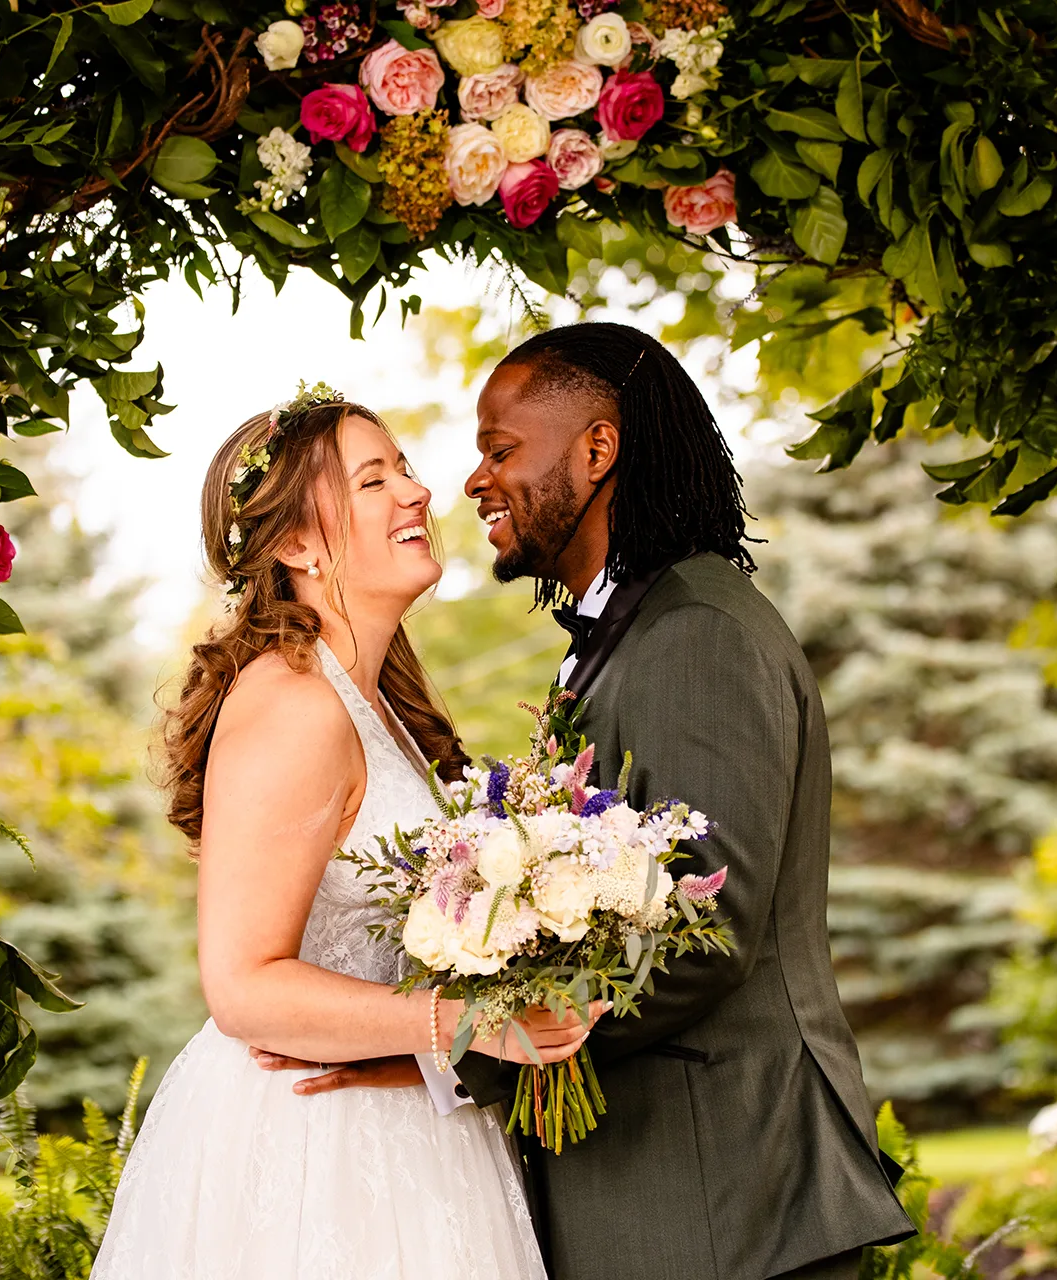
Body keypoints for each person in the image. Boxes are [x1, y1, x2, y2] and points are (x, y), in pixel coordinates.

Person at [275, 325, 917, 1280]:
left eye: (500, 449)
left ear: (597, 450)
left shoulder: (696, 632)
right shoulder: (633, 632)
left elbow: (709, 924)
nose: (473, 480)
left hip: (720, 1198)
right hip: (676, 1199)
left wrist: (468, 1048)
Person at [90, 388, 592, 1280]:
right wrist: (471, 1019)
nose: (417, 493)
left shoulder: (379, 705)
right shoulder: (293, 704)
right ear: (295, 544)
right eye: (374, 479)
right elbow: (243, 986)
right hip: (307, 1148)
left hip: (406, 1120)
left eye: (402, 467)